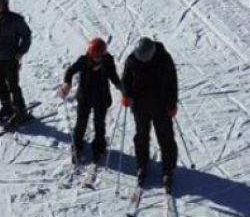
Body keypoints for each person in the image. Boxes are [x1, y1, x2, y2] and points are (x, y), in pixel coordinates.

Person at [120, 38, 179, 192]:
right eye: (141, 57)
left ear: (152, 52)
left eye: (146, 58)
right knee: (141, 136)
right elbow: (126, 78)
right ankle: (142, 165)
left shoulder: (164, 58)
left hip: (161, 106)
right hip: (140, 106)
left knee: (166, 137)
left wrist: (172, 104)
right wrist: (126, 94)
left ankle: (168, 170)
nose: (143, 60)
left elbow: (173, 82)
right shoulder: (132, 59)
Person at [61, 38, 121, 165]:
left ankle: (99, 145)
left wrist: (122, 88)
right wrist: (67, 84)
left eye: (100, 56)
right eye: (95, 56)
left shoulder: (108, 60)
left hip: (101, 97)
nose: (97, 58)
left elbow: (113, 76)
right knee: (81, 122)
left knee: (99, 122)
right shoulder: (83, 60)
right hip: (85, 96)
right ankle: (77, 146)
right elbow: (70, 71)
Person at [0, 0, 32, 124]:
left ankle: (21, 110)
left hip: (10, 58)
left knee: (13, 86)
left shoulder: (15, 19)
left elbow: (27, 35)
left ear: (5, 4)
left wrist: (21, 52)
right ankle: (7, 107)